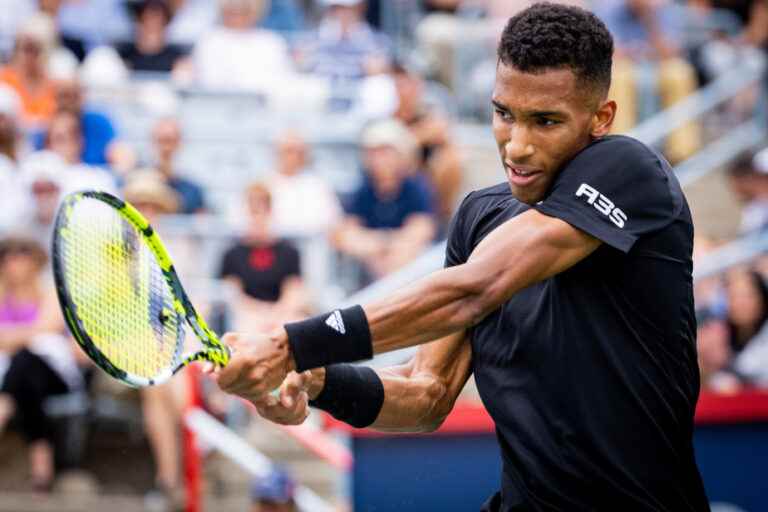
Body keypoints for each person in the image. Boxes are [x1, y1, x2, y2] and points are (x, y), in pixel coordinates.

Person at [213, 4, 711, 511]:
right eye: (504, 114)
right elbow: (424, 393)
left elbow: (475, 290)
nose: (516, 146)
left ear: (601, 118)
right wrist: (316, 380)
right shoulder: (479, 217)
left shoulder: (632, 172)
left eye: (546, 122)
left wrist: (289, 346)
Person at [0, 236, 82, 492]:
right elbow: (37, 330)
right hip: (22, 378)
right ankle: (41, 467)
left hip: (53, 376)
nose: (14, 262)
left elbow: (46, 329)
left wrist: (12, 337)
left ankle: (3, 408)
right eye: (8, 255)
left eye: (21, 254)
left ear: (35, 260)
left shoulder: (52, 294)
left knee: (25, 362)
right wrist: (28, 334)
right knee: (24, 375)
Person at [597, 0, 701, 163]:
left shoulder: (667, 10)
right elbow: (612, 53)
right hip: (627, 65)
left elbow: (669, 53)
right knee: (619, 76)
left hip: (658, 64)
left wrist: (649, 18)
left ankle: (682, 151)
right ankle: (623, 146)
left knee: (680, 73)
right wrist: (641, 53)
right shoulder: (610, 8)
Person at [333, 118, 436, 282]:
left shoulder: (415, 187)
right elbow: (345, 234)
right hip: (369, 267)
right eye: (373, 153)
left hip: (405, 266)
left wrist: (387, 244)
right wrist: (378, 245)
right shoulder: (363, 189)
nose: (379, 160)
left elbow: (421, 230)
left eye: (385, 152)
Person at [219, 182, 308, 333]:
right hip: (247, 315)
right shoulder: (232, 254)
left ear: (270, 212)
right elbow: (233, 295)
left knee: (297, 325)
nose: (256, 218)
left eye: (261, 211)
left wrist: (275, 314)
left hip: (281, 314)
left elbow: (293, 292)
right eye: (252, 212)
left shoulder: (289, 252)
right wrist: (260, 312)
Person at [265, 130, 342, 238]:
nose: (293, 157)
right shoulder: (263, 185)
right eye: (288, 151)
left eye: (299, 152)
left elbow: (333, 222)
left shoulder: (318, 186)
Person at [149, 117, 206, 214]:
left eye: (170, 140)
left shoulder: (193, 191)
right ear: (153, 142)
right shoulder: (139, 184)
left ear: (180, 143)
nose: (166, 148)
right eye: (161, 140)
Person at [116, 0, 190, 73]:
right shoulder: (123, 57)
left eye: (158, 23)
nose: (152, 26)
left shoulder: (177, 60)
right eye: (147, 21)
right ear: (139, 23)